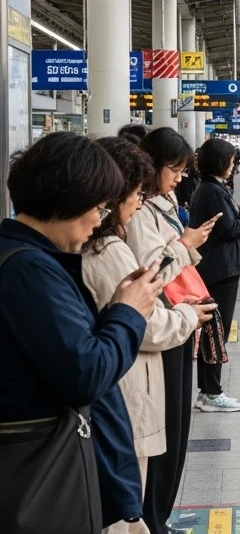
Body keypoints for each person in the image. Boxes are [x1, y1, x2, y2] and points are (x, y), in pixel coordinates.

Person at [0, 132, 163, 530]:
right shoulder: (30, 271)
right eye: (98, 207)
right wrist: (128, 313)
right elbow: (85, 373)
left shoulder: (24, 258)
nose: (99, 220)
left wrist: (115, 309)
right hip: (41, 471)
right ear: (69, 202)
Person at [82, 139, 217, 534]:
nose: (138, 203)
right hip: (128, 386)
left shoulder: (98, 246)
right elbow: (144, 318)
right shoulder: (107, 250)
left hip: (126, 379)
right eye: (134, 194)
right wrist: (186, 316)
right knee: (131, 504)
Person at [128, 128, 214, 534]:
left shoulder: (162, 203)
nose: (180, 177)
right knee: (164, 435)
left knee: (176, 431)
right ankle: (153, 520)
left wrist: (189, 243)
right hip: (161, 328)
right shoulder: (140, 213)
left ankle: (159, 518)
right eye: (174, 168)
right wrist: (184, 243)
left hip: (177, 321)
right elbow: (153, 273)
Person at [188, 138, 240, 413]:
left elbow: (223, 224)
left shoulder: (207, 188)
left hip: (213, 267)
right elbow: (230, 230)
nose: (233, 165)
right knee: (216, 330)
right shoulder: (213, 191)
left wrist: (239, 212)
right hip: (220, 270)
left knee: (211, 329)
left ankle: (208, 390)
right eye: (230, 160)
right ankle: (211, 392)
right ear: (221, 162)